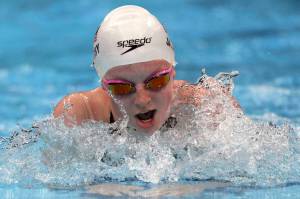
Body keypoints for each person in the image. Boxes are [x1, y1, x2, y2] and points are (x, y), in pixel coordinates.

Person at [53, 5, 240, 134]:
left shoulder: (205, 107)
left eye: (157, 81)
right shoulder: (80, 114)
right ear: (104, 85)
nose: (142, 100)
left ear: (172, 73)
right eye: (122, 87)